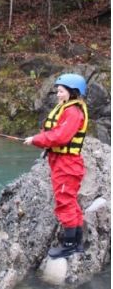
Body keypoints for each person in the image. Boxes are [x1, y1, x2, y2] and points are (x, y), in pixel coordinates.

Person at [24, 73, 88, 258]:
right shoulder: (66, 109)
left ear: (72, 92)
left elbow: (60, 136)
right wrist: (38, 138)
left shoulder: (73, 112)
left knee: (65, 202)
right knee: (69, 201)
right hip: (62, 162)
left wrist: (36, 140)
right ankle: (76, 242)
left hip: (67, 165)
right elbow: (53, 132)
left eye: (61, 91)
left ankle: (69, 245)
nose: (58, 95)